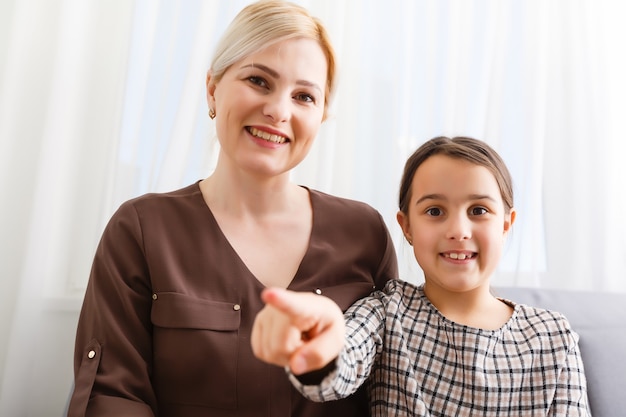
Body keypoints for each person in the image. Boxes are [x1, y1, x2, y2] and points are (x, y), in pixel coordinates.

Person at [66, 1, 398, 416]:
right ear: (212, 88)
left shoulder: (365, 232)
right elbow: (113, 395)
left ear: (321, 115)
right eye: (259, 80)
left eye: (304, 96)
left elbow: (391, 387)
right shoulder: (141, 229)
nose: (279, 111)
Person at [251, 136, 591, 416]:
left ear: (506, 225)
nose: (458, 230)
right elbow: (340, 367)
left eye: (478, 211)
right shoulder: (387, 312)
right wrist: (321, 343)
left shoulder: (553, 336)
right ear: (407, 227)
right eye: (434, 211)